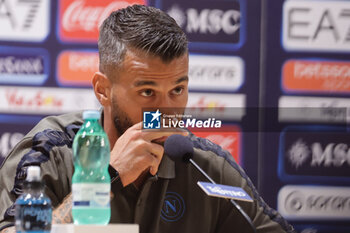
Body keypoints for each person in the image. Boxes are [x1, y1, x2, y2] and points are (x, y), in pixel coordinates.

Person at [0, 4, 295, 233]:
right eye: (147, 92)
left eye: (177, 90)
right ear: (103, 90)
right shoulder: (50, 150)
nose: (166, 111)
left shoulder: (203, 165)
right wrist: (108, 178)